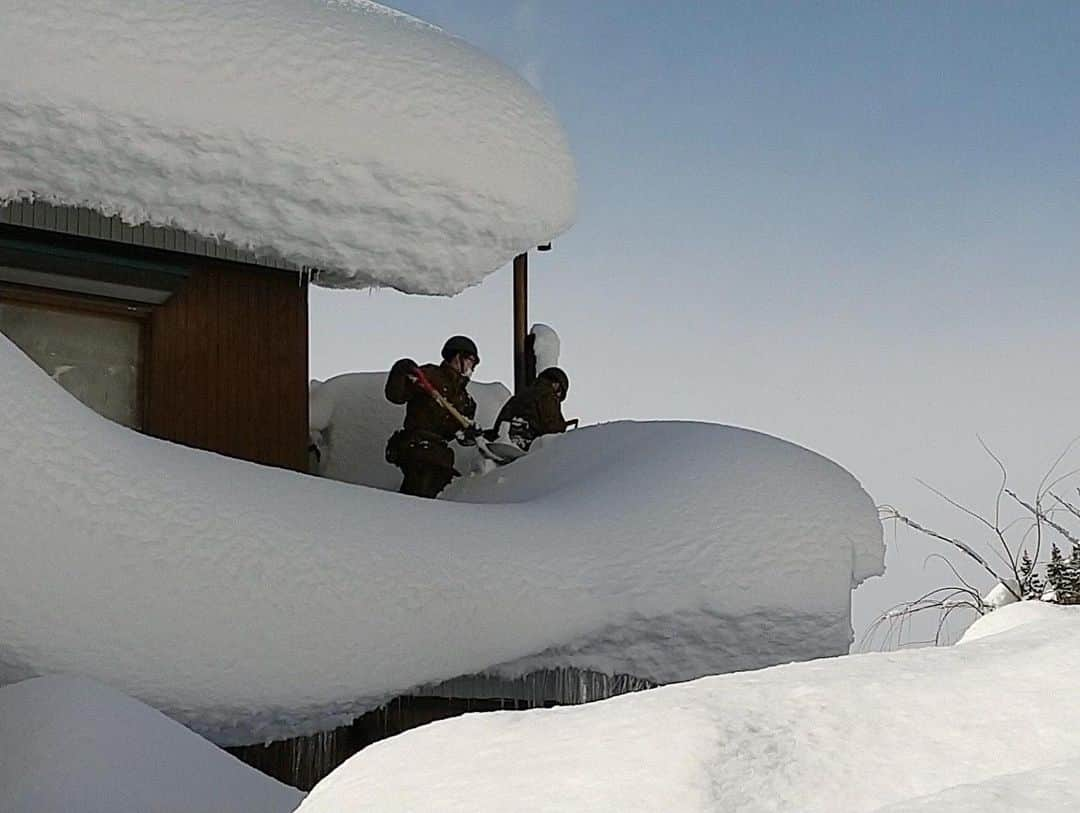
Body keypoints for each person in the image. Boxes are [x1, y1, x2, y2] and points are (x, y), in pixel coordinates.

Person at [384, 336, 479, 498]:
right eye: (470, 360)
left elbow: (460, 434)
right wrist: (400, 370)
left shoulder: (466, 400)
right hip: (418, 447)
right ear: (457, 357)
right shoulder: (430, 375)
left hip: (441, 455)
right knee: (422, 490)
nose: (472, 367)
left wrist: (469, 435)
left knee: (448, 491)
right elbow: (396, 395)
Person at [490, 366, 571, 452]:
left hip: (502, 438)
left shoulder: (523, 393)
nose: (558, 396)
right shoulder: (547, 395)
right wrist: (562, 431)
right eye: (559, 392)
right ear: (556, 385)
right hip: (527, 442)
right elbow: (550, 425)